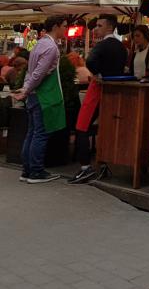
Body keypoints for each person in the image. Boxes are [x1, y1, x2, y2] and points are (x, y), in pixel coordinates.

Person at [70, 15, 129, 185]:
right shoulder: (121, 47)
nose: (96, 29)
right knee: (106, 128)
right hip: (115, 91)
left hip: (99, 87)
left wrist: (98, 74)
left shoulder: (102, 45)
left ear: (110, 28)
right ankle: (103, 164)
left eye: (99, 25)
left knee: (82, 127)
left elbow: (90, 61)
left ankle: (85, 168)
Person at [12, 15, 67, 183]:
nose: (66, 29)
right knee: (40, 134)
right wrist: (27, 89)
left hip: (34, 94)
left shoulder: (39, 44)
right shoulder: (51, 47)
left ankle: (27, 170)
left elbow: (31, 71)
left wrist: (26, 89)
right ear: (56, 26)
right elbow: (39, 73)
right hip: (43, 95)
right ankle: (36, 172)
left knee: (32, 133)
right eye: (64, 26)